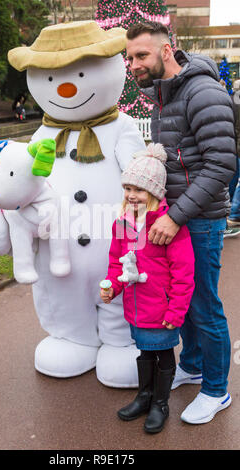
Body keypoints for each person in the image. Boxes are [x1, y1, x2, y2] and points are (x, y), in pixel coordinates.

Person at [126, 21, 236, 424]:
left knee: (205, 306)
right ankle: (191, 367)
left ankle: (216, 390)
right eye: (130, 57)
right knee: (184, 301)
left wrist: (173, 216)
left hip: (199, 219)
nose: (133, 63)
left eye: (141, 55)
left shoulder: (202, 91)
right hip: (177, 216)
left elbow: (222, 163)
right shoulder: (162, 96)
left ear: (167, 50)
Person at [100, 143, 195, 434]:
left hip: (163, 309)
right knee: (144, 352)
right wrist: (113, 287)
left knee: (164, 353)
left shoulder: (167, 228)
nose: (131, 195)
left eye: (139, 190)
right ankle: (144, 396)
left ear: (154, 194)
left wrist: (176, 311)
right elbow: (117, 263)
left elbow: (184, 273)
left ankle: (160, 403)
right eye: (127, 188)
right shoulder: (123, 224)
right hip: (137, 307)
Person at [226, 79, 240, 229]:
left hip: (232, 146)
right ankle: (234, 213)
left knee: (233, 178)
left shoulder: (231, 101)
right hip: (236, 146)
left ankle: (230, 207)